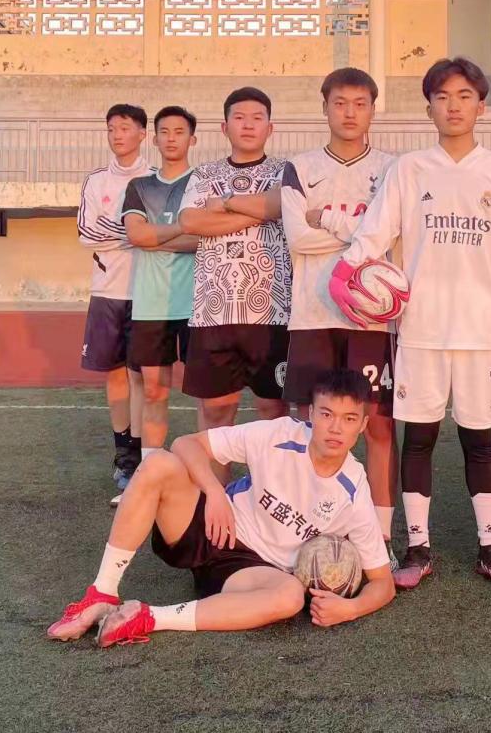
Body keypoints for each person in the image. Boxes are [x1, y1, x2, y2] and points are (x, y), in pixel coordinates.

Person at [328, 57, 491, 590]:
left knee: (479, 441)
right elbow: (376, 231)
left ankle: (490, 547)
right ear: (429, 108)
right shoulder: (410, 169)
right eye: (442, 97)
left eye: (464, 96)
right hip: (419, 329)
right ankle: (417, 548)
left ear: (481, 106)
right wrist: (346, 271)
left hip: (480, 330)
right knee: (418, 438)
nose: (453, 106)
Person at [46, 369, 396, 648]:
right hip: (214, 527)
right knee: (158, 464)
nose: (336, 428)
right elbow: (186, 444)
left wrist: (350, 608)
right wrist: (214, 492)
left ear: (363, 425)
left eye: (349, 418)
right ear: (311, 414)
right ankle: (102, 593)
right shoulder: (279, 434)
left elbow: (383, 583)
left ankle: (149, 617)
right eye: (327, 414)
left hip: (251, 572)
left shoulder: (353, 490)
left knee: (290, 597)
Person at [279, 68, 399, 567]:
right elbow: (297, 238)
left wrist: (327, 219)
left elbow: (390, 235)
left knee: (379, 427)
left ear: (373, 109)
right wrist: (364, 232)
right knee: (308, 427)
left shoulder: (393, 169)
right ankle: (302, 531)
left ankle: (382, 538)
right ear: (325, 107)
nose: (350, 112)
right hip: (312, 315)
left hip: (370, 319)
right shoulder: (299, 167)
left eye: (360, 103)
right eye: (340, 103)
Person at [178, 87, 291, 483]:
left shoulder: (285, 172)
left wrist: (225, 204)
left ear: (270, 128)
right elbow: (191, 222)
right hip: (214, 310)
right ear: (224, 127)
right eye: (239, 117)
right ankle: (216, 501)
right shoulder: (204, 174)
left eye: (257, 118)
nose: (248, 125)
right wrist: (260, 212)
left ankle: (269, 497)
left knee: (273, 412)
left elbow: (281, 206)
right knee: (216, 412)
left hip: (273, 311)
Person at [122, 106, 201, 504]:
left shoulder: (203, 183)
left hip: (199, 305)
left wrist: (158, 236)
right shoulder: (139, 186)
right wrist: (182, 229)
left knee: (206, 395)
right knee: (154, 391)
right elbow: (136, 236)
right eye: (164, 131)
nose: (171, 138)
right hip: (151, 305)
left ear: (193, 139)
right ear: (154, 139)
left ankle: (206, 476)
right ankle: (149, 476)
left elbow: (204, 239)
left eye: (179, 131)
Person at [78, 104, 153, 501]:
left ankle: (142, 454)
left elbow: (156, 234)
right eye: (111, 129)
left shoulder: (155, 179)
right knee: (114, 374)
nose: (117, 135)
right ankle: (123, 455)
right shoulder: (96, 181)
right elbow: (85, 234)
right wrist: (128, 231)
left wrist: (127, 231)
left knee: (141, 376)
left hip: (146, 291)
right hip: (107, 290)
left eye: (125, 128)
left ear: (142, 133)